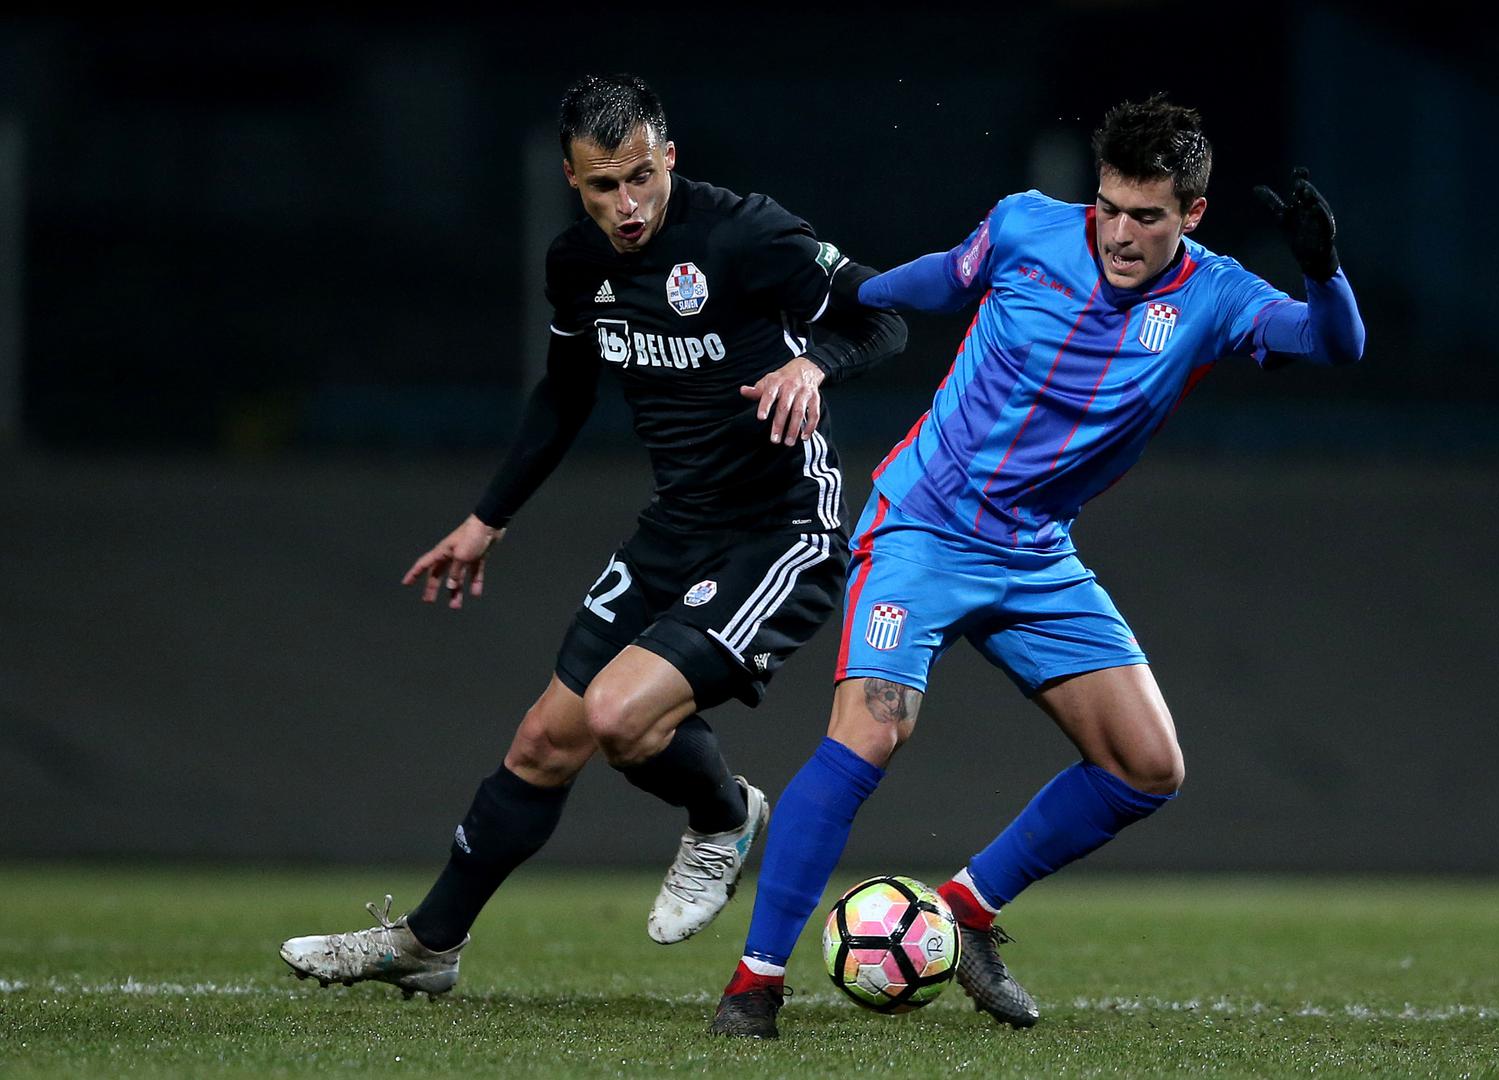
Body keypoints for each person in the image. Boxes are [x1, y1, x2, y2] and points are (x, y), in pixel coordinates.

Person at [709, 95, 1365, 1037]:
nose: (1121, 233)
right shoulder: (1026, 227)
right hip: (923, 528)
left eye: (1148, 216)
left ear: (1192, 214)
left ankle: (966, 914)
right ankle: (754, 983)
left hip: (1035, 554)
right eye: (1110, 207)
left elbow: (1337, 344)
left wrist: (1323, 270)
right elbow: (940, 280)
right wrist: (834, 316)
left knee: (1147, 767)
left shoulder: (1217, 296)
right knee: (872, 733)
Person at [278, 73, 905, 998]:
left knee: (618, 715)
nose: (628, 204)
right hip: (675, 527)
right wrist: (487, 519)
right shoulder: (577, 262)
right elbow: (565, 392)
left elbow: (882, 316)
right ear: (572, 179)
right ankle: (429, 945)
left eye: (642, 176)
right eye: (604, 185)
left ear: (670, 158)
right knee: (544, 740)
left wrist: (813, 365)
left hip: (779, 527)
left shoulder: (745, 232)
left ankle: (724, 816)